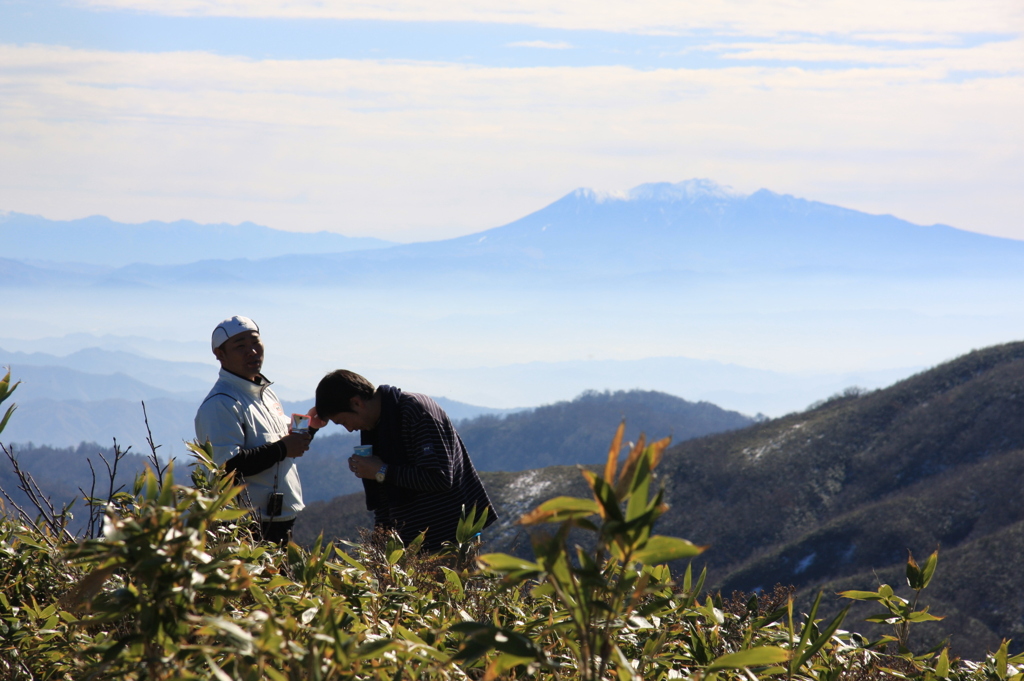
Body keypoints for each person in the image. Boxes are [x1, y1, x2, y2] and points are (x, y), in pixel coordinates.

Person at [311, 369, 496, 553]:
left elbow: (439, 477)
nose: (350, 429)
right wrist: (380, 543)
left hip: (449, 541)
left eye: (343, 421)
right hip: (414, 545)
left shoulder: (415, 411)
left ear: (357, 403)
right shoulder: (379, 423)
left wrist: (381, 470)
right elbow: (385, 493)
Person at [195, 315, 311, 545]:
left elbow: (284, 441)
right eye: (240, 346)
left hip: (280, 517)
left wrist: (312, 425)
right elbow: (226, 468)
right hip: (245, 525)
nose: (252, 351)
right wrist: (282, 449)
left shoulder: (265, 393)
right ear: (220, 354)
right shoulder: (220, 404)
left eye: (256, 342)